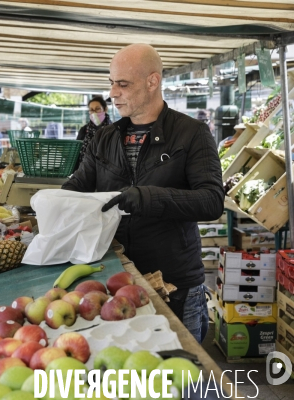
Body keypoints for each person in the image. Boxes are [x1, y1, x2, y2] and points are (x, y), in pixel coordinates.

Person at [62, 43, 223, 343]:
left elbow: (212, 200)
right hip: (115, 282)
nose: (112, 93)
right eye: (111, 83)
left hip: (175, 283)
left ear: (153, 82)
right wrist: (56, 200)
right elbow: (79, 185)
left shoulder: (192, 133)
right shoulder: (104, 137)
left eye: (123, 84)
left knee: (182, 378)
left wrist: (149, 198)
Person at [75, 96, 112, 170]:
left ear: (105, 109)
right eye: (91, 110)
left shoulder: (113, 130)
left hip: (107, 172)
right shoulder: (84, 130)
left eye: (97, 109)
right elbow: (76, 152)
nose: (94, 112)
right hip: (85, 170)